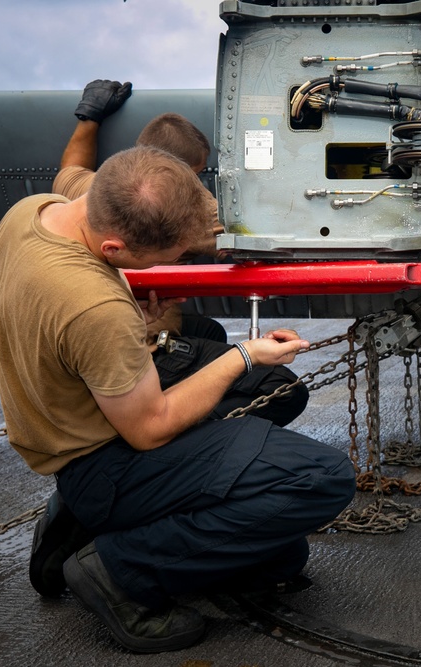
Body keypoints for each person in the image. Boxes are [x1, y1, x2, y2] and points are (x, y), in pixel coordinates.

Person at [0, 145, 356, 653]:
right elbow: (149, 429)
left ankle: (80, 519)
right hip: (105, 459)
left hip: (81, 421)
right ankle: (119, 570)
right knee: (321, 480)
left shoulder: (31, 213)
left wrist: (110, 341)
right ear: (113, 249)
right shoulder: (93, 307)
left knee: (279, 533)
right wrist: (241, 355)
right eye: (174, 259)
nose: (180, 265)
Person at [53, 79, 310, 427]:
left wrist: (89, 116)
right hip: (135, 344)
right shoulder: (190, 211)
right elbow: (263, 235)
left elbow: (71, 168)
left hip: (94, 341)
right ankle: (182, 433)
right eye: (195, 173)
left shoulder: (94, 190)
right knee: (283, 388)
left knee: (208, 332)